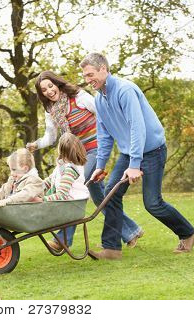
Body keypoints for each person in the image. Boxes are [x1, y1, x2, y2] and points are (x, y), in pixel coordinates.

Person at [79, 52, 194, 259]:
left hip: (152, 150)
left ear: (104, 69)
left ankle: (188, 234)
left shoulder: (125, 90)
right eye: (85, 76)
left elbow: (137, 128)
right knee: (111, 196)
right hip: (129, 152)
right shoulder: (99, 100)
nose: (88, 80)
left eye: (91, 75)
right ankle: (112, 249)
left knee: (152, 203)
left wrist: (135, 164)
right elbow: (104, 135)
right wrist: (100, 165)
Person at [26, 71, 143, 251]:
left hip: (96, 149)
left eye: (50, 86)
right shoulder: (51, 110)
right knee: (99, 198)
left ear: (57, 84)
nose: (49, 91)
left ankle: (63, 239)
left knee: (74, 185)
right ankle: (131, 231)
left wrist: (121, 130)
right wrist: (36, 144)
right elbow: (51, 136)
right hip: (76, 155)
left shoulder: (79, 97)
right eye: (44, 90)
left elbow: (103, 112)